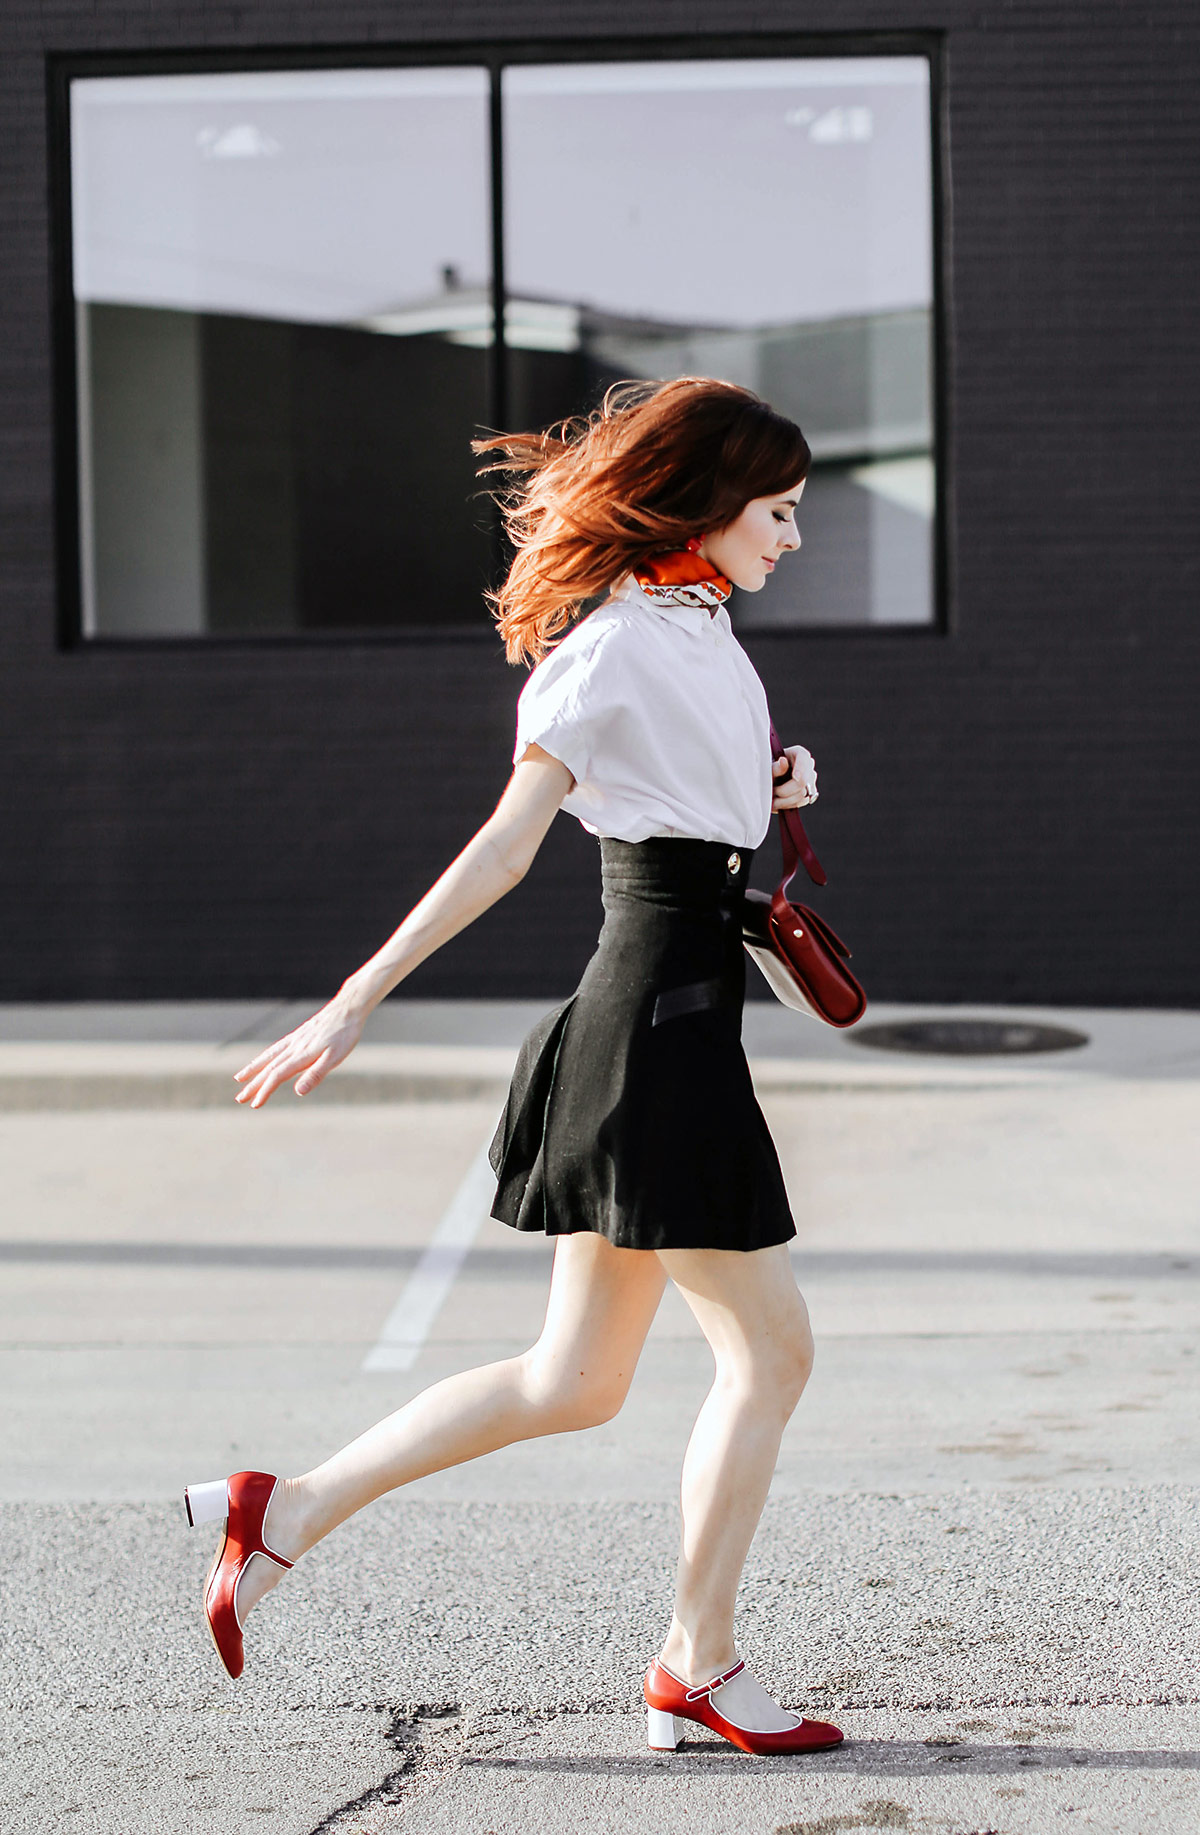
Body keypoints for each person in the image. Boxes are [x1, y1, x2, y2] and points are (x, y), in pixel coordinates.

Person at [184, 377, 843, 1758]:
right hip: (653, 1035)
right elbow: (504, 846)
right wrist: (356, 997)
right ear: (707, 506)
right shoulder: (606, 653)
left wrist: (766, 777)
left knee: (573, 1383)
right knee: (773, 1352)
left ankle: (284, 1509)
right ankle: (698, 1662)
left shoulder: (700, 628)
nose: (793, 537)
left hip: (671, 1020)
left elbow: (680, 795)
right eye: (778, 512)